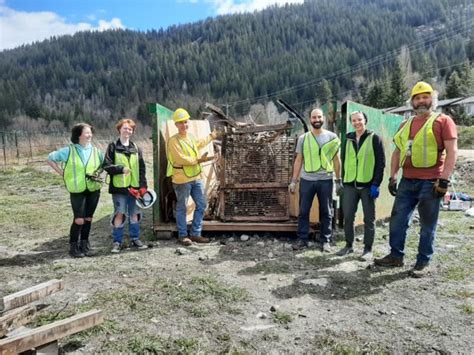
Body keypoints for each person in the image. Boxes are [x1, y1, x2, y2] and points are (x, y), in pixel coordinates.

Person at [374, 81, 457, 275]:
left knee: (427, 225)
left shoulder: (443, 121)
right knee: (397, 220)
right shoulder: (406, 124)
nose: (421, 101)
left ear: (432, 100)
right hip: (407, 180)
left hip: (432, 182)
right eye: (417, 98)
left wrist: (444, 179)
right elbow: (397, 151)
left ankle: (423, 261)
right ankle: (396, 256)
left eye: (425, 97)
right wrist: (393, 176)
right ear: (412, 102)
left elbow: (452, 152)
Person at [47, 123, 103, 258]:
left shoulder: (97, 151)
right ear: (78, 135)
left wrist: (98, 173)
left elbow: (103, 166)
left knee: (88, 218)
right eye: (86, 133)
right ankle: (73, 247)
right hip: (77, 190)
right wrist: (63, 173)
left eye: (90, 132)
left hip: (93, 189)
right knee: (79, 220)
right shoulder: (69, 151)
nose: (89, 135)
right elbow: (50, 159)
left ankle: (85, 245)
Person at [289, 108, 341, 252]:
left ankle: (326, 240)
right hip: (307, 180)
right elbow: (298, 160)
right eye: (314, 117)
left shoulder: (332, 137)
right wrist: (294, 180)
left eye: (319, 117)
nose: (316, 120)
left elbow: (337, 160)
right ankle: (302, 239)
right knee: (303, 211)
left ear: (323, 118)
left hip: (326, 179)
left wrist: (338, 179)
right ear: (310, 119)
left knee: (326, 211)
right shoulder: (303, 138)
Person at [336, 111, 385, 261]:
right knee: (348, 216)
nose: (357, 123)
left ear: (365, 120)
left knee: (369, 218)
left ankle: (368, 248)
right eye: (354, 120)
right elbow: (343, 160)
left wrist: (376, 184)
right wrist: (342, 181)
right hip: (350, 185)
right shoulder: (348, 139)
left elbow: (380, 164)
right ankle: (348, 245)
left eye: (360, 120)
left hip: (367, 185)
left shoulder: (375, 138)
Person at [167, 108, 218, 246]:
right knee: (182, 207)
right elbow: (180, 158)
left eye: (185, 122)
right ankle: (183, 236)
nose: (184, 125)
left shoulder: (189, 137)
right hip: (182, 179)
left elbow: (199, 143)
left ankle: (195, 233)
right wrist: (198, 160)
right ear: (176, 125)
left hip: (196, 178)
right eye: (181, 123)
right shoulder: (173, 141)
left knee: (201, 204)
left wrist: (211, 137)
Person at [103, 118, 149, 253]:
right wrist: (120, 169)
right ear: (119, 130)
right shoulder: (112, 146)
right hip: (119, 188)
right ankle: (117, 242)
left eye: (130, 129)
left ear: (132, 131)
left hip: (134, 188)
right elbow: (106, 165)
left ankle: (135, 239)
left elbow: (142, 168)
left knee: (135, 213)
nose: (127, 131)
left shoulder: (136, 148)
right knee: (120, 213)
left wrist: (143, 186)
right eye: (125, 128)